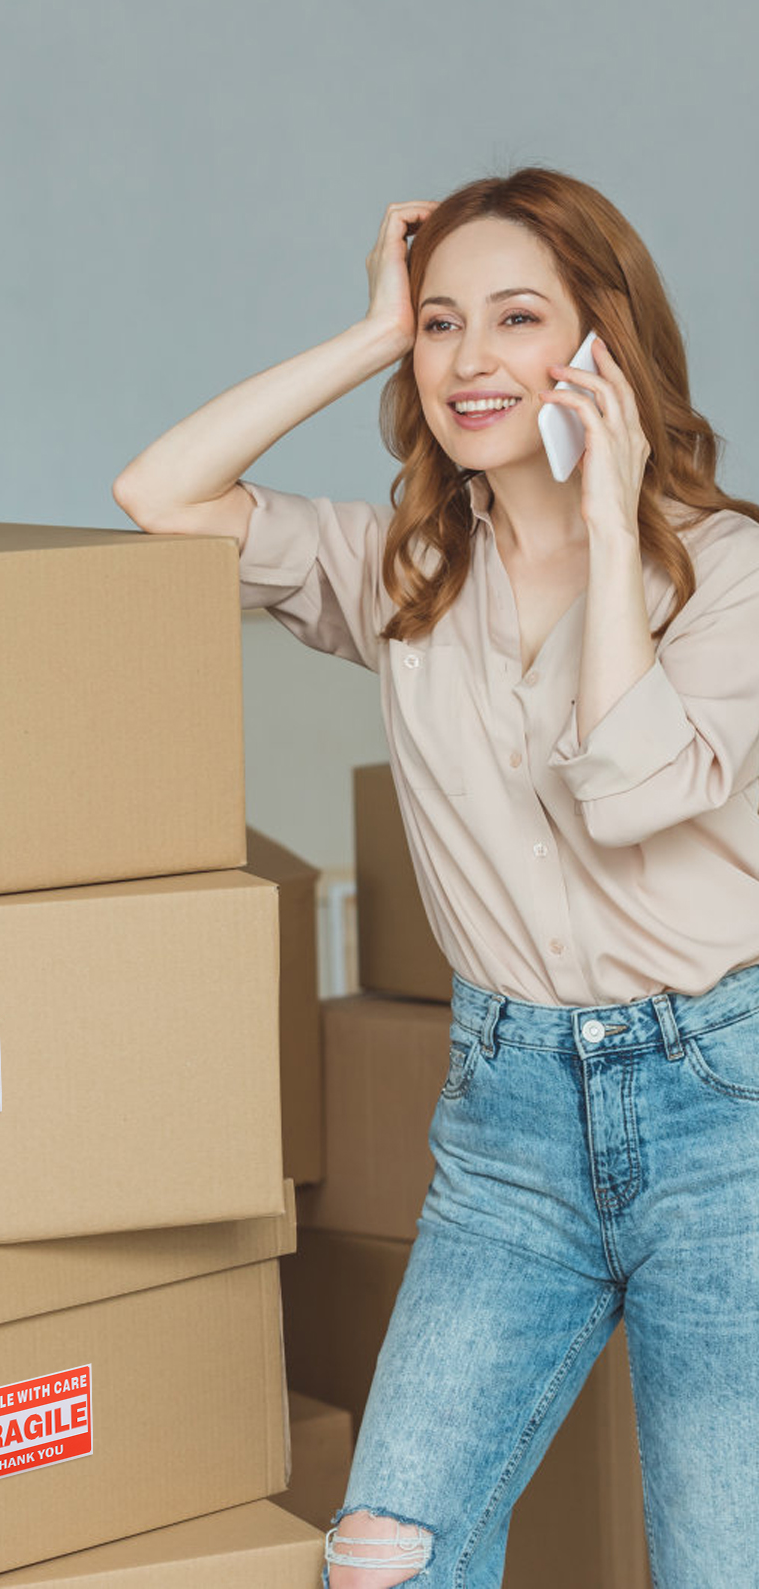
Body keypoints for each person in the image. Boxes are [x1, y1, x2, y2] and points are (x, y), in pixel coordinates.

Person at [112, 166, 759, 1588]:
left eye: (517, 318)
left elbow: (636, 790)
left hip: (725, 1117)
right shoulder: (405, 570)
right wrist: (363, 336)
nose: (471, 361)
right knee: (382, 1556)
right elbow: (159, 493)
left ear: (603, 342)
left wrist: (605, 518)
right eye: (442, 323)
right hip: (509, 1124)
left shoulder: (732, 572)